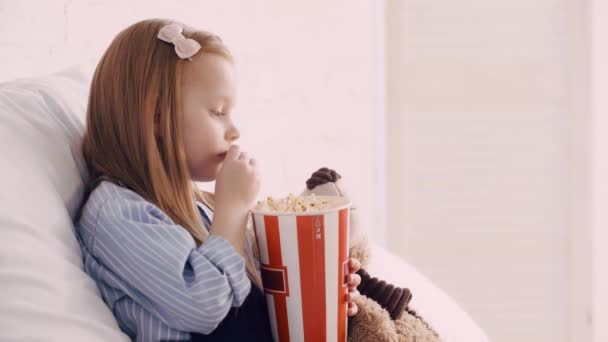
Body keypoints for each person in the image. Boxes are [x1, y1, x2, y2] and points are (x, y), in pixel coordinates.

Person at [75, 18, 362, 341]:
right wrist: (233, 208)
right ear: (157, 117)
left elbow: (251, 294)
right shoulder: (117, 213)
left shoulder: (201, 206)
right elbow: (205, 304)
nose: (234, 130)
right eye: (217, 111)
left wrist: (318, 292)